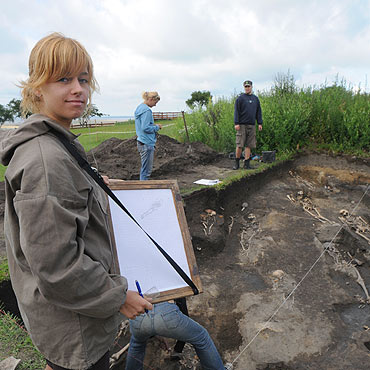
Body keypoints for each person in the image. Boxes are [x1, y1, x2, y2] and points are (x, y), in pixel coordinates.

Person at [0, 33, 152, 370]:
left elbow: (65, 204)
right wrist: (117, 297)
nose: (78, 89)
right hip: (75, 327)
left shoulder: (54, 143)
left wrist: (93, 185)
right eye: (63, 79)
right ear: (37, 86)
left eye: (83, 79)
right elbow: (58, 267)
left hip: (63, 318)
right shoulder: (45, 159)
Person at [125, 301, 226, 370]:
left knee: (137, 344)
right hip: (167, 314)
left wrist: (154, 332)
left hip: (138, 316)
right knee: (202, 337)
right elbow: (181, 303)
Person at [233, 80, 263, 170]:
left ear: (251, 87)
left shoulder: (255, 99)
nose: (247, 88)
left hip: (252, 125)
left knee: (249, 145)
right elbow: (236, 111)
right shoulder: (240, 99)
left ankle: (247, 164)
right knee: (239, 144)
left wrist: (260, 123)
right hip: (241, 125)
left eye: (248, 86)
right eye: (245, 87)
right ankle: (237, 163)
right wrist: (236, 123)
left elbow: (258, 112)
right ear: (244, 87)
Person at [134, 92, 162, 180]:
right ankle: (143, 190)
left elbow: (144, 125)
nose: (155, 105)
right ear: (151, 99)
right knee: (146, 171)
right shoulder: (146, 110)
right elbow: (145, 128)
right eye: (155, 102)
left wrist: (153, 125)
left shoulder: (140, 108)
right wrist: (157, 127)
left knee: (145, 169)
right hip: (146, 143)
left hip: (142, 141)